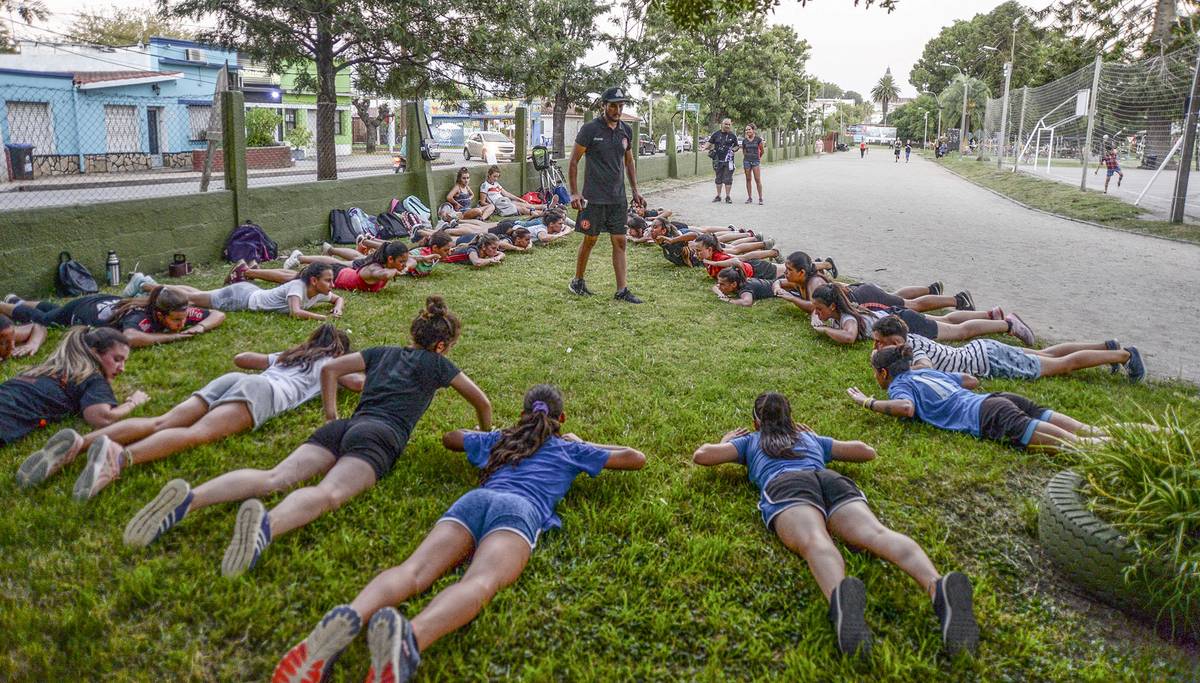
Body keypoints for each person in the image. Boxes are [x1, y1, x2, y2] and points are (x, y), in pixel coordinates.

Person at [271, 384, 645, 683]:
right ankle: (411, 639)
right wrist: (582, 445)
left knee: (413, 571)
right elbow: (633, 457)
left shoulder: (501, 439)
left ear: (522, 414)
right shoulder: (567, 449)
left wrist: (498, 434)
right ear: (561, 418)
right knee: (480, 582)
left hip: (474, 501)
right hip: (519, 512)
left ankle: (349, 615)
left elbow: (451, 437)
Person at [123, 297, 492, 580]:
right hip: (380, 436)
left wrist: (331, 415)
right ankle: (265, 527)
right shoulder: (439, 365)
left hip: (342, 426)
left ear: (414, 334)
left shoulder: (381, 352)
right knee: (328, 494)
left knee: (275, 477)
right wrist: (485, 431)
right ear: (442, 346)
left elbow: (331, 367)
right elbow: (481, 400)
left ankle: (189, 500)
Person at [692, 392, 979, 657]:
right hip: (830, 479)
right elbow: (866, 451)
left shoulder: (751, 442)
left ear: (756, 422)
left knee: (816, 541)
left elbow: (702, 456)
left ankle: (841, 601)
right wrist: (817, 438)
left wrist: (726, 440)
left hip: (787, 485)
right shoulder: (810, 439)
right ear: (791, 418)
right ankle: (937, 586)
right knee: (877, 533)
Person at [18, 324, 362, 500]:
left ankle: (79, 444)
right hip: (265, 393)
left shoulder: (291, 355)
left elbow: (242, 359)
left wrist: (285, 354)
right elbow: (358, 383)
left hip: (242, 379)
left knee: (163, 420)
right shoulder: (335, 363)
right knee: (197, 434)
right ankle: (118, 459)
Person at [851, 345, 1120, 453]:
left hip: (989, 416)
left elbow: (906, 408)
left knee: (1082, 446)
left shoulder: (899, 386)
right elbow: (970, 380)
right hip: (997, 398)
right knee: (1091, 432)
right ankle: (1158, 434)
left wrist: (868, 402)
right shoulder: (926, 373)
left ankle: (1139, 452)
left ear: (883, 373)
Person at [869, 314, 1145, 383]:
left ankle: (1125, 355)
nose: (875, 347)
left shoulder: (914, 350)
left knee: (1062, 365)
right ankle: (1106, 347)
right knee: (1048, 355)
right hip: (983, 350)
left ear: (896, 342)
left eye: (879, 342)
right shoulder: (909, 340)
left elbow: (924, 368)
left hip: (990, 362)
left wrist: (911, 372)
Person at [0, 327, 148, 448]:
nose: (122, 368)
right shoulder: (91, 377)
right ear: (94, 352)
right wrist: (133, 402)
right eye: (117, 359)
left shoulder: (44, 369)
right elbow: (101, 417)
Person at [567, 85, 646, 303]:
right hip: (593, 197)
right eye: (613, 105)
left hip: (617, 198)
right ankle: (578, 281)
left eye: (621, 105)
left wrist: (635, 191)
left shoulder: (625, 131)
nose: (618, 110)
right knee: (590, 240)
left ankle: (622, 290)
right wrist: (574, 193)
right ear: (604, 106)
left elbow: (629, 161)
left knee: (620, 241)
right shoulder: (590, 129)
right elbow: (574, 161)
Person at [809, 282, 1036, 347]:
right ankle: (990, 314)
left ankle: (1008, 324)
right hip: (899, 317)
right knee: (946, 320)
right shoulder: (845, 311)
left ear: (833, 306)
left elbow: (849, 337)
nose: (816, 312)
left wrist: (823, 329)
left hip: (905, 324)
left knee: (960, 332)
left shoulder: (847, 318)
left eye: (819, 309)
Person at [0, 287, 223, 349]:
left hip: (99, 301)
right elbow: (130, 337)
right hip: (82, 312)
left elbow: (218, 314)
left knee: (53, 309)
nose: (182, 324)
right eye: (176, 321)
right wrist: (175, 337)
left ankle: (15, 299)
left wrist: (200, 328)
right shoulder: (140, 317)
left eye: (183, 320)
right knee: (45, 318)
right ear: (159, 314)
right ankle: (8, 306)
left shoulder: (176, 309)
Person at [122, 264, 344, 321]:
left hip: (248, 291)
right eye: (328, 280)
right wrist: (321, 316)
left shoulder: (320, 291)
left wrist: (337, 309)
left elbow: (339, 299)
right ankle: (144, 284)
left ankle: (148, 283)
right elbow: (296, 312)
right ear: (314, 281)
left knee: (198, 293)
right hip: (240, 298)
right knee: (189, 299)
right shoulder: (297, 287)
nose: (332, 285)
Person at [774, 251, 976, 314]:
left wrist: (786, 297)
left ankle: (958, 300)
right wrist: (778, 286)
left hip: (864, 298)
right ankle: (932, 289)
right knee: (896, 296)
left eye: (789, 271)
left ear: (802, 272)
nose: (786, 273)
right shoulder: (804, 280)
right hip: (863, 292)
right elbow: (786, 284)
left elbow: (812, 306)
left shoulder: (813, 284)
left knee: (911, 306)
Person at [254, 242, 415, 293]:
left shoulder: (385, 264)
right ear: (390, 259)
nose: (403, 264)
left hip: (339, 271)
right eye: (401, 261)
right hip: (335, 275)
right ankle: (250, 272)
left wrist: (404, 267)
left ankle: (253, 270)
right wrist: (398, 271)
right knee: (292, 278)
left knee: (293, 275)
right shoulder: (375, 269)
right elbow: (384, 275)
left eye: (404, 262)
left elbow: (411, 262)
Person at [707, 118, 739, 203]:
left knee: (728, 179)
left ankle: (728, 197)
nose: (728, 126)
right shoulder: (716, 134)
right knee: (718, 178)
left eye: (729, 124)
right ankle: (718, 196)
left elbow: (737, 146)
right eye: (726, 124)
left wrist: (733, 150)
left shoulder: (733, 135)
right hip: (718, 160)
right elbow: (709, 142)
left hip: (729, 161)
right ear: (722, 124)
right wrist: (704, 147)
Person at [711, 266, 776, 306]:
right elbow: (715, 287)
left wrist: (728, 300)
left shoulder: (745, 288)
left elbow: (747, 302)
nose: (719, 286)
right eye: (719, 283)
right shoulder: (739, 282)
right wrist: (720, 294)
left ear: (734, 284)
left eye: (722, 284)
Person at [741, 123, 765, 204]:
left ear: (753, 130)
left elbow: (762, 151)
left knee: (757, 179)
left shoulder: (758, 140)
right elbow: (744, 151)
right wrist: (747, 158)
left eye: (749, 129)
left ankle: (760, 198)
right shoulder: (744, 141)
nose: (747, 131)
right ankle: (749, 198)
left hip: (755, 161)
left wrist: (757, 158)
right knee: (748, 179)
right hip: (747, 161)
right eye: (746, 130)